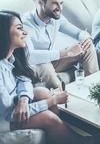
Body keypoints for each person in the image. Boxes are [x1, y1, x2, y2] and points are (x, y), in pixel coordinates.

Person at [0, 10, 90, 144]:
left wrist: (23, 99)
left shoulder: (12, 57)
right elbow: (10, 115)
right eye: (19, 28)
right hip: (4, 120)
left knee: (43, 92)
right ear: (3, 33)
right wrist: (52, 101)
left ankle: (58, 134)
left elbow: (23, 78)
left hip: (10, 106)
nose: (25, 33)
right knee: (48, 118)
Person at [22, 0, 100, 89]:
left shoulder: (55, 18)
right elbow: (30, 56)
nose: (60, 8)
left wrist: (86, 38)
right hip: (36, 66)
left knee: (87, 46)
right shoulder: (25, 24)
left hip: (53, 61)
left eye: (61, 3)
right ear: (40, 2)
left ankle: (95, 89)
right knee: (44, 65)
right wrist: (65, 53)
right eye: (55, 3)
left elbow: (78, 33)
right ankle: (60, 98)